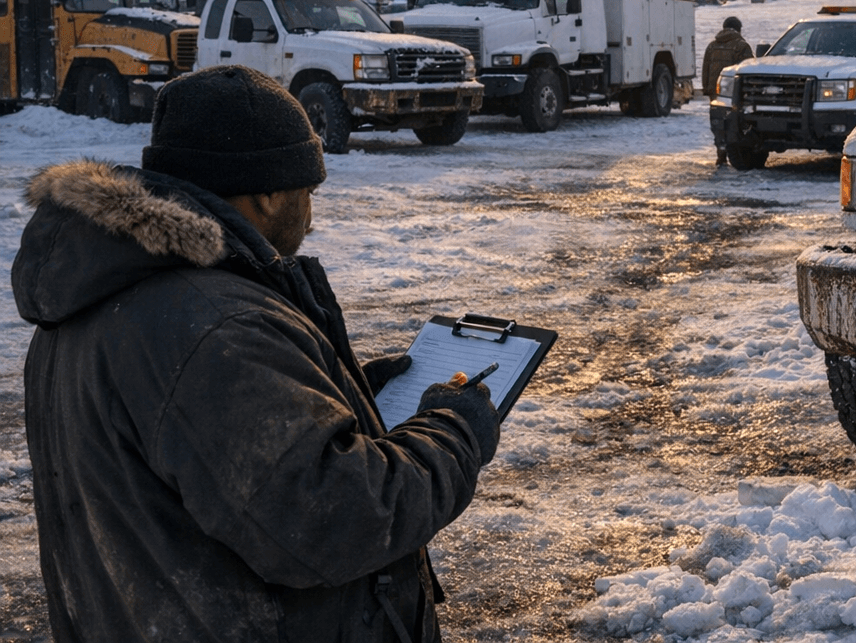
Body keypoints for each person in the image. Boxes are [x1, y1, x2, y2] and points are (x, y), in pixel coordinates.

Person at [11, 65, 502, 642]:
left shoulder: (104, 291)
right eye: (307, 192)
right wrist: (453, 435)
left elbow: (198, 447)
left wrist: (332, 398)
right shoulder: (217, 326)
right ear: (267, 193)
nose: (311, 217)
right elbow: (333, 520)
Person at [701, 15, 754, 165]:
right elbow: (748, 70)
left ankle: (721, 153)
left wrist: (707, 88)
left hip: (715, 93)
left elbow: (705, 69)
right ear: (738, 29)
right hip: (733, 94)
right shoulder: (741, 46)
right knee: (734, 123)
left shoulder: (712, 46)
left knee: (719, 124)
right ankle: (736, 153)